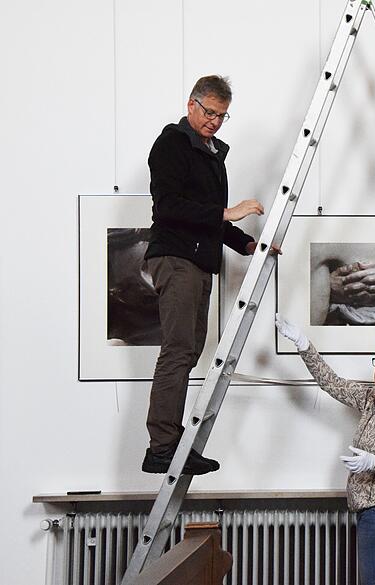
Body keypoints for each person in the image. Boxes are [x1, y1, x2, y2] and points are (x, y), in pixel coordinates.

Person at [141, 75, 265, 475]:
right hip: (176, 258)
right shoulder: (173, 144)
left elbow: (210, 217)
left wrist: (247, 244)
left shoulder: (210, 152)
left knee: (189, 352)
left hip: (197, 260)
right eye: (209, 112)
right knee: (178, 352)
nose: (214, 121)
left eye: (222, 116)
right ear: (191, 104)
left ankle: (172, 444)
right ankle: (161, 447)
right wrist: (228, 213)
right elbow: (170, 207)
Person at [276, 314, 375, 585]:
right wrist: (303, 344)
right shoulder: (373, 398)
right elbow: (331, 383)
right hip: (372, 510)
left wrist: (374, 462)